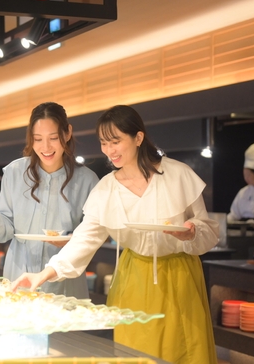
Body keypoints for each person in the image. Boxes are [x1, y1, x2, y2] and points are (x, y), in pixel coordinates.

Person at [11, 105, 219, 364]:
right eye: (104, 143)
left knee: (183, 350)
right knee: (135, 353)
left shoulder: (178, 174)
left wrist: (192, 233)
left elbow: (207, 230)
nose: (109, 150)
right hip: (133, 277)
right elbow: (84, 239)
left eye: (116, 141)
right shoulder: (106, 189)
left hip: (180, 276)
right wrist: (44, 274)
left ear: (138, 138)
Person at [0, 102, 99, 298]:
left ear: (67, 133)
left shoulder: (87, 180)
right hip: (18, 279)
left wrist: (71, 240)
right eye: (38, 139)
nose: (46, 147)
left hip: (64, 286)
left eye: (53, 138)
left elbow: (92, 235)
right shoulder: (15, 172)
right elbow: (4, 233)